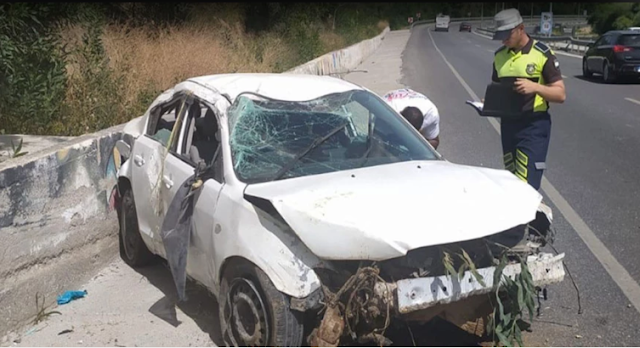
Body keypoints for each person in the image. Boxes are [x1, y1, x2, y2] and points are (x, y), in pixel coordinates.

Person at [490, 8, 566, 191]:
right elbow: (496, 89)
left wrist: (536, 88)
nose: (504, 39)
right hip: (508, 125)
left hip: (533, 125)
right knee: (511, 178)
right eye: (501, 35)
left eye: (507, 34)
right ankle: (518, 219)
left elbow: (561, 94)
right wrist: (488, 102)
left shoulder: (541, 53)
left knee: (527, 182)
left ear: (521, 28)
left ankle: (531, 218)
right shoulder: (500, 56)